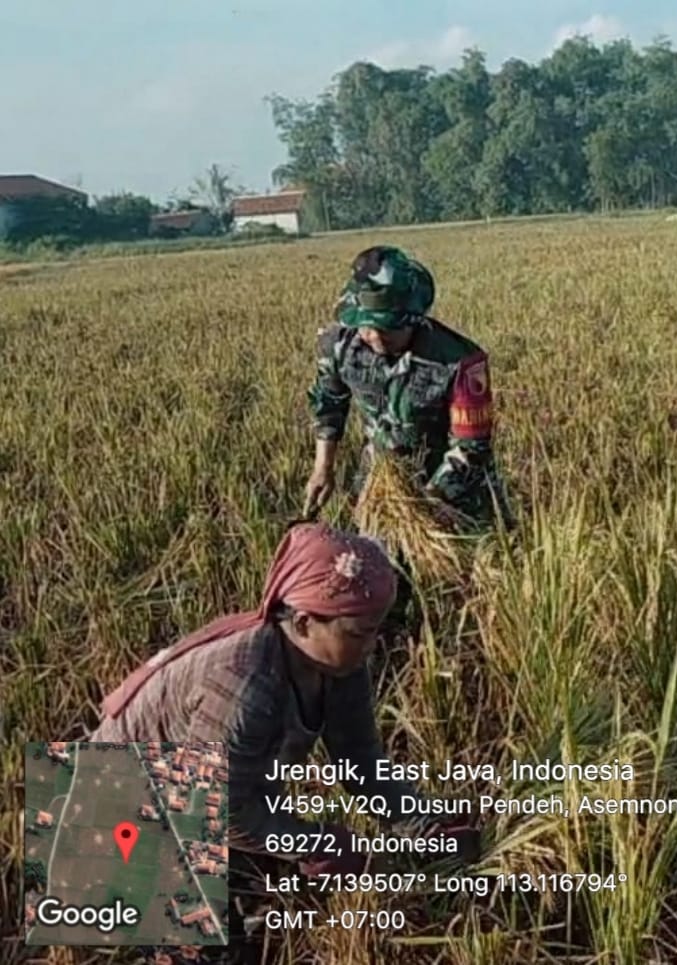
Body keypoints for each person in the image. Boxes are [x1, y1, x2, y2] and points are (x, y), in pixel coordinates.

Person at [88, 523, 480, 945]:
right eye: (360, 633)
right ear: (305, 622)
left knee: (281, 883)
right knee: (206, 944)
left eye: (375, 631)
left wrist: (423, 820)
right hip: (121, 805)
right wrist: (312, 842)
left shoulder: (340, 665)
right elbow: (219, 812)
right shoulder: (245, 683)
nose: (372, 646)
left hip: (206, 796)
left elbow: (361, 763)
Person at [304, 245, 512, 531]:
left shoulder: (460, 363)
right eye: (366, 326)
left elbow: (471, 448)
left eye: (387, 328)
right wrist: (322, 468)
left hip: (454, 494)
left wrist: (421, 510)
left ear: (412, 320)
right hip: (381, 486)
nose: (374, 336)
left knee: (460, 571)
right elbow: (329, 403)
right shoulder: (340, 345)